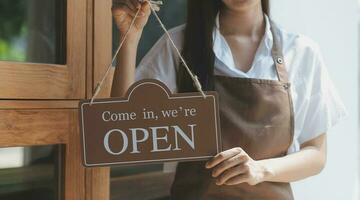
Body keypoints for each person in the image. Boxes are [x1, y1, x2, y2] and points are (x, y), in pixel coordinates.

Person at [111, 0, 347, 199]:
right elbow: (124, 126)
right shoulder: (179, 45)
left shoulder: (301, 51)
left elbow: (316, 154)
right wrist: (130, 38)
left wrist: (260, 169)